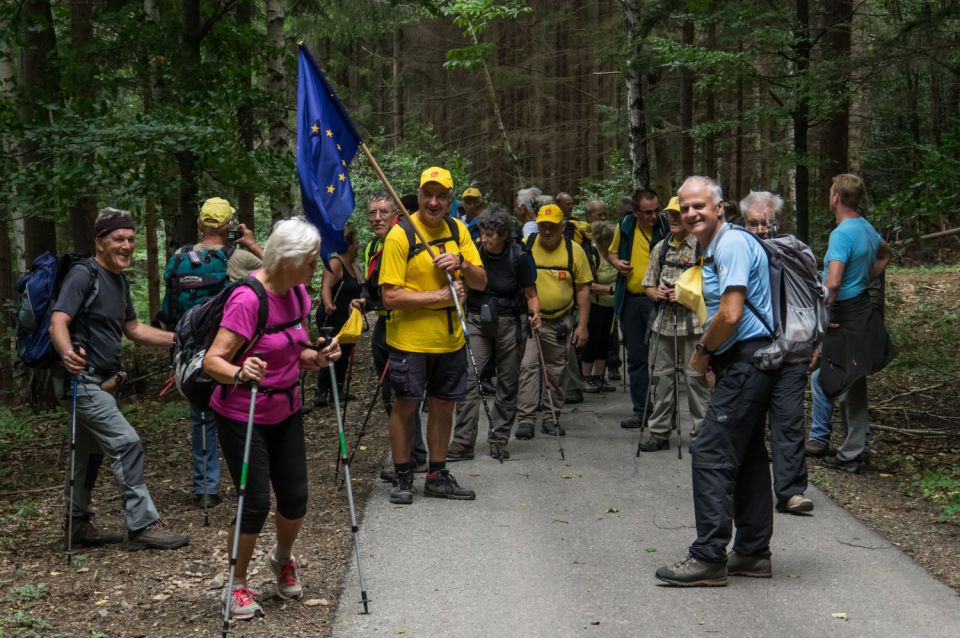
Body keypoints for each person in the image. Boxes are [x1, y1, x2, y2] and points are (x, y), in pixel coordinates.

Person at [204, 217, 340, 620]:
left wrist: (318, 357)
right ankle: (236, 584)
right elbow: (213, 361)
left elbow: (295, 347)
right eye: (312, 261)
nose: (317, 269)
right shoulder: (247, 299)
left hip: (286, 408)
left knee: (295, 497)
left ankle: (281, 559)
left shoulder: (297, 293)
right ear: (287, 260)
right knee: (255, 502)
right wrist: (241, 373)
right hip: (241, 414)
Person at [655, 176, 777, 587]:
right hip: (744, 362)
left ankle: (709, 556)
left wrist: (702, 352)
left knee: (708, 450)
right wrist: (716, 359)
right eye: (685, 207)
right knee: (749, 456)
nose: (691, 213)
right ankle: (753, 552)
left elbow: (730, 313)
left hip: (747, 362)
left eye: (699, 206)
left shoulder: (731, 244)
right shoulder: (711, 246)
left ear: (720, 207)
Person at [50, 208, 189, 551]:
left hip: (101, 383)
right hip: (80, 383)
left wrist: (180, 339)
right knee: (127, 443)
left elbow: (134, 329)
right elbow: (58, 320)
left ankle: (77, 525)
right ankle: (142, 524)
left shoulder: (119, 280)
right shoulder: (85, 275)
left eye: (130, 239)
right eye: (118, 239)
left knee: (87, 453)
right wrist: (67, 352)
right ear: (100, 242)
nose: (126, 245)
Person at [380, 166, 487, 505]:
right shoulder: (401, 235)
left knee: (443, 406)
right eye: (428, 194)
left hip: (450, 338)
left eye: (441, 195)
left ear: (450, 199)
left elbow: (481, 281)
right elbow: (390, 296)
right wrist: (439, 297)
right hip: (409, 341)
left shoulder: (458, 230)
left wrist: (462, 264)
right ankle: (402, 474)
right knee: (406, 405)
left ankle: (437, 475)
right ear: (420, 195)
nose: (433, 201)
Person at [162, 196, 263, 510]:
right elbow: (281, 272)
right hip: (227, 347)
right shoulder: (239, 258)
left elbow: (168, 308)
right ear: (230, 225)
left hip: (188, 351)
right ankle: (247, 481)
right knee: (240, 413)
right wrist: (253, 243)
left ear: (199, 225)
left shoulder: (178, 258)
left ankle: (206, 488)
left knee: (201, 416)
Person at [813, 174, 895, 474]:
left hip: (844, 314)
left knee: (841, 380)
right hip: (859, 308)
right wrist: (863, 279)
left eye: (830, 191)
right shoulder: (865, 227)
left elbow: (832, 283)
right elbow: (886, 252)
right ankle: (853, 447)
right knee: (846, 379)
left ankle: (852, 453)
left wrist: (820, 317)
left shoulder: (842, 233)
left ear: (836, 197)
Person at [739, 191, 814, 513]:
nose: (760, 230)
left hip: (792, 353)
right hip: (751, 352)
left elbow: (816, 298)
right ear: (743, 222)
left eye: (766, 223)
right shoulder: (735, 252)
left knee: (789, 420)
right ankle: (745, 489)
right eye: (753, 223)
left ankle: (790, 492)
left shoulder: (796, 252)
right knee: (746, 422)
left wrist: (816, 341)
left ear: (777, 222)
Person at [448, 209, 541, 460]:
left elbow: (531, 294)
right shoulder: (475, 252)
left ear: (502, 235)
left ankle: (499, 438)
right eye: (482, 234)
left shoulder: (518, 255)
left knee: (507, 382)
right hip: (478, 320)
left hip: (510, 323)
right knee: (469, 378)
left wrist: (535, 314)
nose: (484, 239)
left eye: (490, 235)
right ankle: (463, 441)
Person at [357, 191, 428, 480]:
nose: (377, 218)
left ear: (395, 213)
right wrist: (365, 300)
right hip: (382, 326)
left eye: (383, 212)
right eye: (372, 213)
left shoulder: (405, 241)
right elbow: (373, 286)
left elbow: (407, 287)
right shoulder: (374, 244)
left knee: (404, 395)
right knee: (392, 395)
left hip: (404, 326)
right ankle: (411, 454)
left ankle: (415, 457)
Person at [637, 196, 711, 451]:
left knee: (695, 379)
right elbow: (647, 283)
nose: (674, 219)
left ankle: (702, 435)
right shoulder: (661, 247)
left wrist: (681, 295)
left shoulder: (702, 246)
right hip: (663, 323)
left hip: (693, 325)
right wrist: (655, 293)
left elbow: (711, 288)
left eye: (678, 214)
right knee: (661, 378)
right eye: (670, 215)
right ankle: (659, 433)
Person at [514, 204, 592, 439]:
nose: (546, 231)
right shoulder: (526, 245)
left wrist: (582, 325)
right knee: (528, 367)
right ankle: (526, 419)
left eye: (552, 226)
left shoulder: (574, 251)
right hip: (530, 320)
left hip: (560, 320)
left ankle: (551, 416)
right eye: (542, 226)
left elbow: (583, 290)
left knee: (556, 370)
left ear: (562, 226)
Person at [607, 188, 669, 429]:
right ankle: (642, 410)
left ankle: (665, 413)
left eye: (656, 210)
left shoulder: (666, 226)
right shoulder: (624, 226)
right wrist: (617, 263)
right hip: (632, 300)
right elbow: (611, 252)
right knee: (636, 358)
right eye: (647, 212)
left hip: (660, 300)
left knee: (664, 359)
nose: (653, 216)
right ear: (635, 212)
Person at [315, 226, 363, 407]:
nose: (358, 245)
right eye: (356, 242)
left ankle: (339, 389)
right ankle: (321, 391)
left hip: (349, 317)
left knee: (345, 353)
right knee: (329, 351)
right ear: (348, 245)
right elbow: (326, 286)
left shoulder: (356, 265)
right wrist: (328, 304)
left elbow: (362, 285)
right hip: (332, 315)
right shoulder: (336, 261)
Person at [581, 221, 617, 393]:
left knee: (605, 342)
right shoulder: (593, 255)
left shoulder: (614, 254)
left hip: (611, 306)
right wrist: (610, 289)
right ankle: (586, 377)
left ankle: (599, 377)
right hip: (595, 304)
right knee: (592, 342)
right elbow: (588, 284)